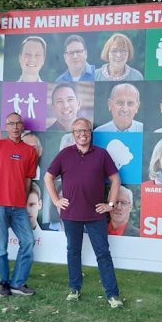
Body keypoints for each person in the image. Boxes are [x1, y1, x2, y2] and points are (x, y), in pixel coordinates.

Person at [44, 118, 124, 308]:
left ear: (91, 132)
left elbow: (115, 179)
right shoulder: (65, 154)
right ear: (73, 134)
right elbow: (48, 177)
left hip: (96, 215)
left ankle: (112, 295)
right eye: (78, 131)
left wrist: (110, 204)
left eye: (86, 130)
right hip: (71, 214)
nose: (82, 134)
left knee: (103, 254)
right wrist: (56, 200)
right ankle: (74, 289)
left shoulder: (102, 155)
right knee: (73, 252)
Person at [0, 112, 39, 297]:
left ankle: (18, 283)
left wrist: (22, 200)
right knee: (1, 247)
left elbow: (28, 180)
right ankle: (5, 284)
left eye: (18, 123)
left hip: (19, 207)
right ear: (6, 127)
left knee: (28, 242)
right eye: (11, 123)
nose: (15, 127)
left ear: (22, 126)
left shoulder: (30, 151)